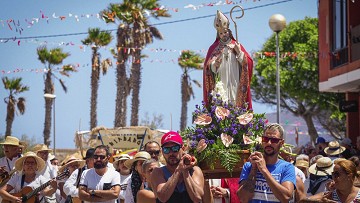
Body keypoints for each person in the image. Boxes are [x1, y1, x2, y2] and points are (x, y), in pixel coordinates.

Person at [203, 10, 253, 109]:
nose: (223, 35)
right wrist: (214, 64)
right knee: (222, 101)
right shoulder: (213, 48)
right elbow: (207, 67)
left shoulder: (237, 45)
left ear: (229, 32)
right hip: (221, 81)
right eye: (221, 33)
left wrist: (239, 53)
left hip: (235, 80)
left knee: (235, 102)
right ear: (218, 34)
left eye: (225, 32)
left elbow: (248, 63)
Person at [237, 123, 296, 202]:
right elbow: (243, 198)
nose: (269, 143)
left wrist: (264, 170)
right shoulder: (249, 166)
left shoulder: (287, 167)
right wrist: (254, 170)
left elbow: (285, 197)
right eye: (265, 139)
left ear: (281, 143)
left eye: (274, 140)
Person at [151, 131, 204, 203]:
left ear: (183, 149)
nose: (171, 153)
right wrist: (179, 170)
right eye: (166, 149)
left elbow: (197, 197)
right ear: (162, 152)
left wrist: (185, 171)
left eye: (175, 148)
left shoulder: (195, 171)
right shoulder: (158, 172)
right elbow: (163, 197)